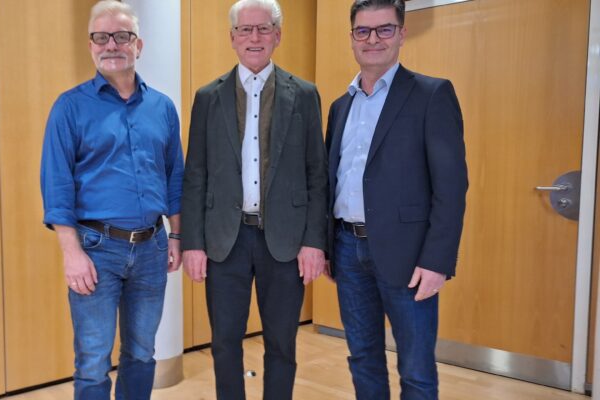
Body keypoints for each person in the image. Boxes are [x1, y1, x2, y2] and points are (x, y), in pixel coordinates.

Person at [181, 0, 328, 398]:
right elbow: (195, 175)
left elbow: (318, 175)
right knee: (225, 343)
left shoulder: (305, 95)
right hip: (224, 241)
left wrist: (315, 241)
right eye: (245, 30)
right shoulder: (207, 97)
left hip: (285, 241)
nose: (254, 38)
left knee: (282, 343)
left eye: (263, 29)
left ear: (278, 36)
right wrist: (193, 243)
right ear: (232, 38)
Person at [39, 1, 184, 398]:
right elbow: (57, 185)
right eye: (101, 37)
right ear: (90, 46)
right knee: (93, 359)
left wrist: (176, 237)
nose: (111, 45)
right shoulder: (70, 107)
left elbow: (175, 177)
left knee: (141, 352)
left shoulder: (162, 108)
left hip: (152, 247)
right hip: (95, 249)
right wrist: (71, 253)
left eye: (122, 36)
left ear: (139, 45)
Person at [326, 0, 468, 399]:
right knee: (363, 357)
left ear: (402, 34)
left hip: (409, 258)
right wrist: (328, 247)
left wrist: (437, 261)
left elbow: (451, 187)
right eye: (363, 31)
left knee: (417, 369)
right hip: (348, 251)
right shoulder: (341, 106)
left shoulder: (431, 94)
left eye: (384, 29)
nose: (373, 39)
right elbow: (332, 181)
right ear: (352, 37)